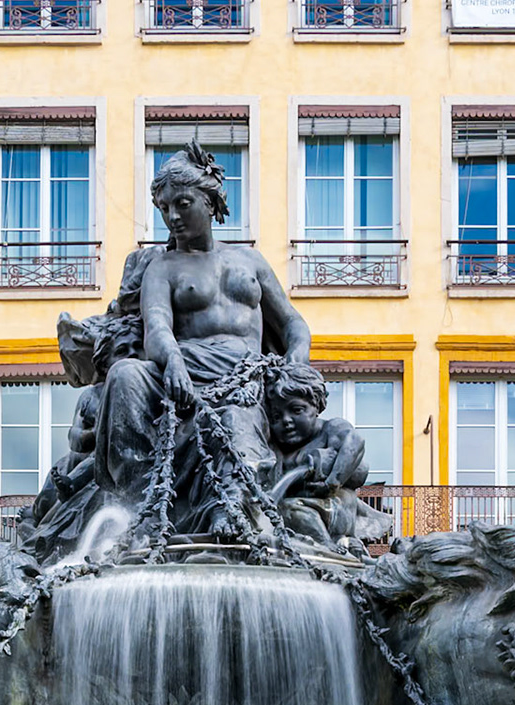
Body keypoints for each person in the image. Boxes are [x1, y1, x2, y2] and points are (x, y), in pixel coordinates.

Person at [84, 144, 311, 533]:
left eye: (182, 203)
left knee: (236, 419)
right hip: (182, 371)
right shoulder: (163, 267)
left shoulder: (250, 262)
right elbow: (157, 327)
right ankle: (138, 503)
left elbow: (292, 323)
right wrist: (171, 362)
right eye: (164, 208)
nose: (172, 216)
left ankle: (229, 507)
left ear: (210, 202)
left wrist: (295, 362)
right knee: (124, 375)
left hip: (243, 376)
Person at [263, 360, 391, 546]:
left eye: (296, 410)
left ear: (316, 406)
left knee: (289, 510)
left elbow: (354, 443)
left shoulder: (330, 428)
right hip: (306, 508)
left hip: (335, 506)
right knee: (285, 512)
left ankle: (329, 550)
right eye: (276, 416)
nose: (286, 421)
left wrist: (332, 482)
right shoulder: (278, 450)